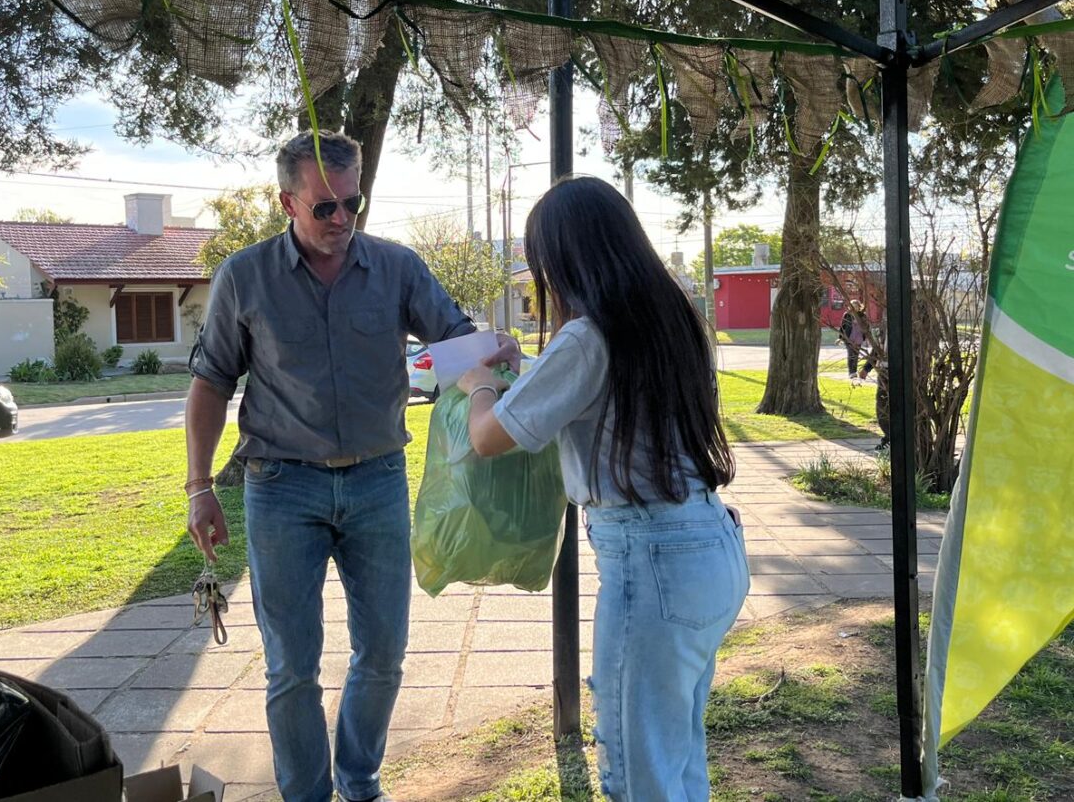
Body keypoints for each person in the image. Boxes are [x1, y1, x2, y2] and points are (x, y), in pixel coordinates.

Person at [183, 129, 518, 802]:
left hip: (377, 481)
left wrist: (489, 347)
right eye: (324, 207)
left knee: (385, 653)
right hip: (282, 486)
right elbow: (212, 383)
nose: (342, 219)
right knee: (291, 667)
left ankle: (359, 782)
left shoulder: (396, 268)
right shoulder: (244, 277)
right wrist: (199, 487)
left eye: (352, 203)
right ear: (287, 202)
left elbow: (454, 339)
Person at [456, 176, 749, 802]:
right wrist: (524, 366)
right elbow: (596, 395)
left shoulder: (588, 335)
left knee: (638, 774)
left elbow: (487, 437)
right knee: (676, 758)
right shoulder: (673, 320)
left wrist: (477, 383)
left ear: (566, 259)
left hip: (652, 560)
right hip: (711, 546)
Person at [839, 299, 867, 377]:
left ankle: (854, 371)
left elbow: (866, 327)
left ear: (859, 307)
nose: (854, 308)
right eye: (853, 306)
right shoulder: (847, 315)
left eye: (856, 306)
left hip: (858, 338)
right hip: (849, 338)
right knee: (851, 354)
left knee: (856, 355)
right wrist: (840, 338)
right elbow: (842, 326)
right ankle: (851, 372)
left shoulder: (862, 315)